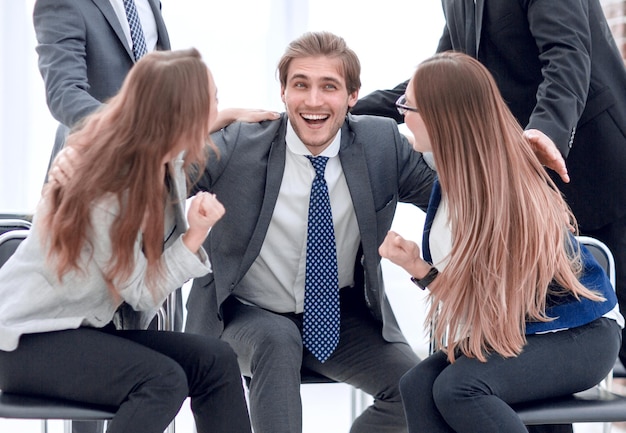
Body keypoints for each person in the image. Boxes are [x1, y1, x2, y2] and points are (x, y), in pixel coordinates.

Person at [352, 0, 626, 387]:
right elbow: (439, 81)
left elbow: (566, 56)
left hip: (594, 170)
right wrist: (343, 112)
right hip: (520, 180)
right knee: (534, 340)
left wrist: (544, 133)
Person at [184, 31, 437, 433]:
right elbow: (153, 183)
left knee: (416, 391)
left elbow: (450, 200)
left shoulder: (380, 143)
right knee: (277, 338)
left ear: (353, 96)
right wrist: (207, 123)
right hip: (241, 316)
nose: (314, 101)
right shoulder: (237, 145)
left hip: (337, 318)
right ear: (283, 92)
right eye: (300, 85)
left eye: (329, 87)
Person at [0, 48, 253, 433]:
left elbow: (182, 132)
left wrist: (234, 115)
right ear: (182, 113)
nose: (217, 106)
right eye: (212, 99)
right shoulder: (109, 186)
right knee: (161, 381)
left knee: (215, 359)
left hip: (84, 329)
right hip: (25, 341)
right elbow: (142, 293)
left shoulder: (160, 159)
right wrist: (195, 235)